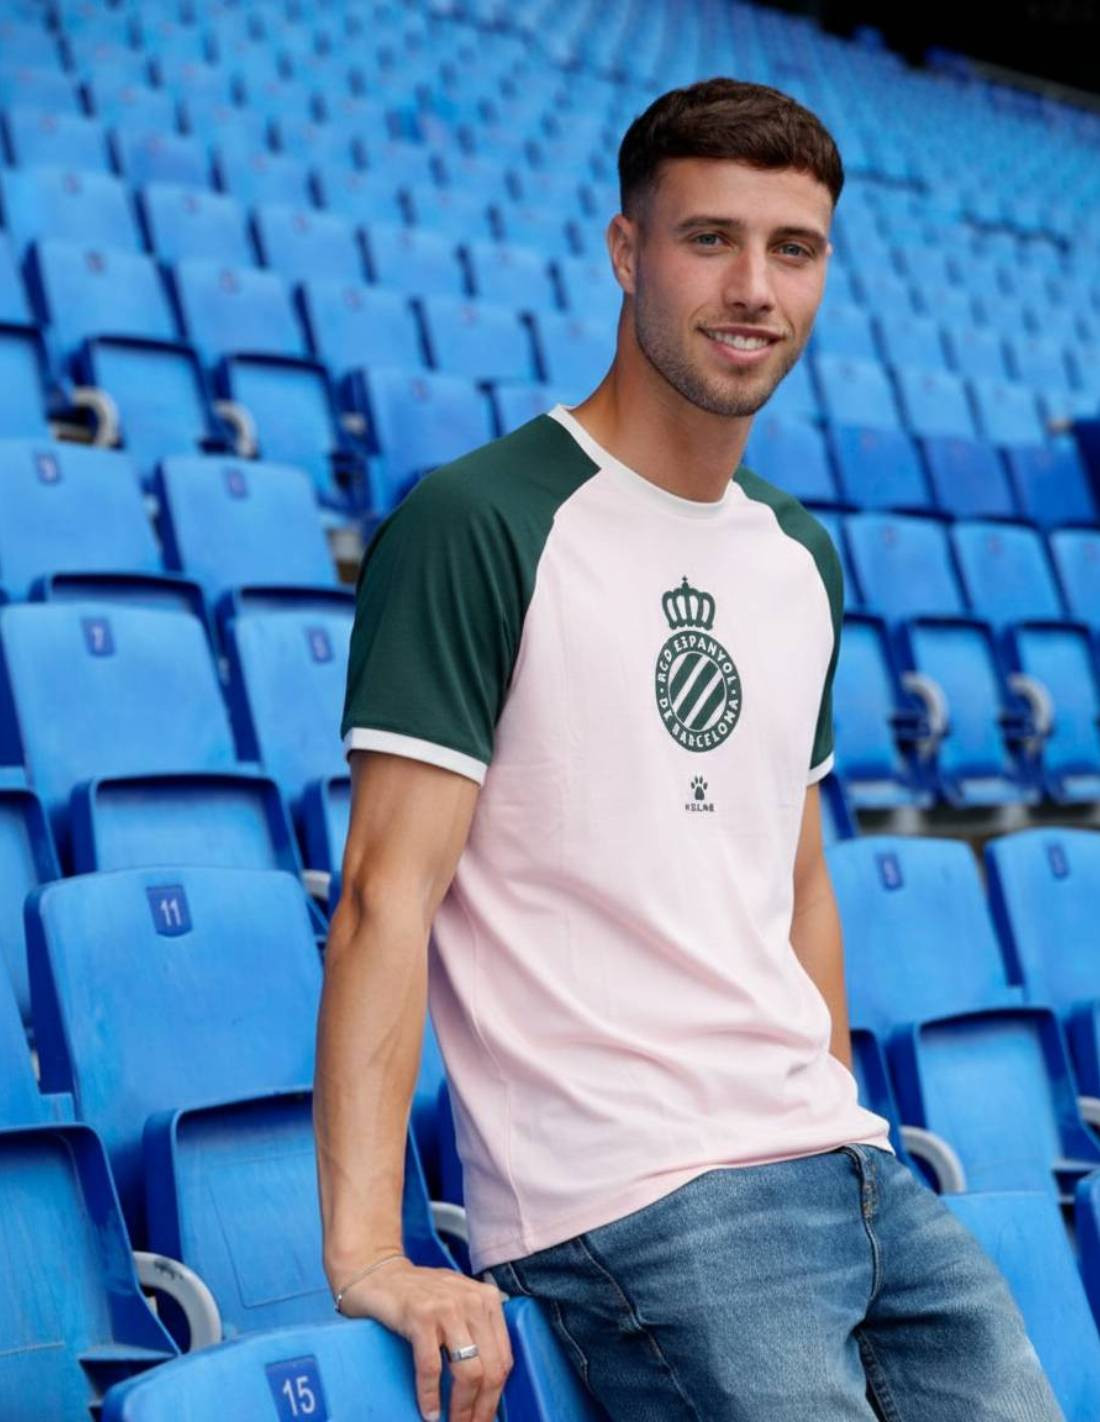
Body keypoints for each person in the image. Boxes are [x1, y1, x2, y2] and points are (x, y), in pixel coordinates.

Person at [314, 77, 1065, 1422]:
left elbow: (800, 881)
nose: (754, 289)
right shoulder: (483, 521)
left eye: (794, 249)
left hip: (847, 1167)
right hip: (635, 1195)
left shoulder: (796, 552)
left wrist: (834, 1106)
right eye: (709, 238)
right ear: (627, 251)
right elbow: (384, 892)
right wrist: (371, 1251)